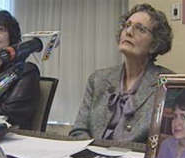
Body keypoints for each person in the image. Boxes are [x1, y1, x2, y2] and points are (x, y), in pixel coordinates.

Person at [69, 3, 174, 143]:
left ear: (154, 45)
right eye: (127, 25)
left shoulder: (167, 85)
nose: (129, 32)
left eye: (140, 29)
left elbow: (168, 143)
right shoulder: (98, 79)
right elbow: (78, 130)